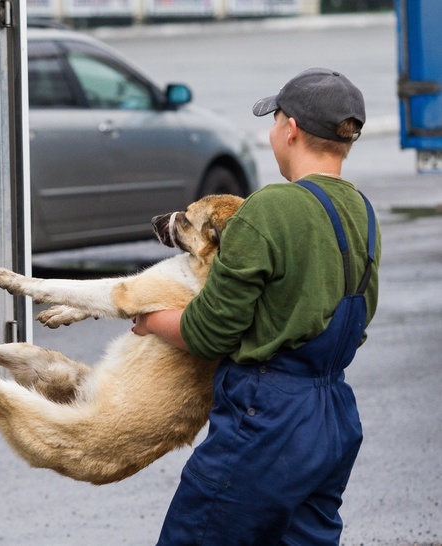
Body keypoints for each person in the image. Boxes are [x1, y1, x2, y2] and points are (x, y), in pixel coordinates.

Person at [132, 67, 381, 545]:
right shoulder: (363, 212)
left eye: (275, 121)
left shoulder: (269, 209)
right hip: (333, 419)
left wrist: (149, 318)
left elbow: (210, 334)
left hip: (266, 420)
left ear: (289, 129)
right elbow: (357, 320)